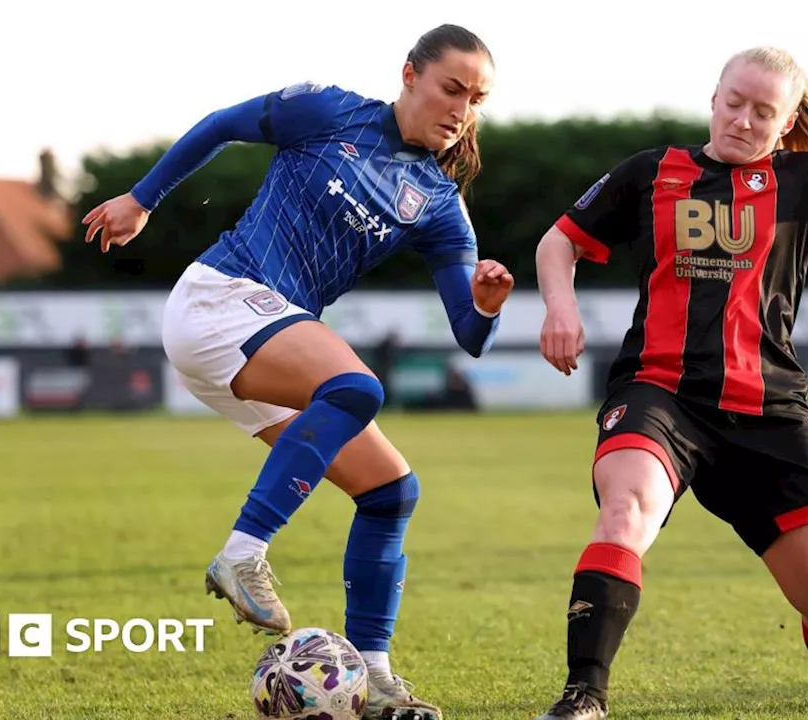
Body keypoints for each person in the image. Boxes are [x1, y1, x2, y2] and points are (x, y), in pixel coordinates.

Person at [532, 3, 808, 717]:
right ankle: (583, 695)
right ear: (713, 100)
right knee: (625, 511)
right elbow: (558, 241)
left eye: (762, 111)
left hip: (767, 412)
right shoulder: (650, 172)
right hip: (660, 396)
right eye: (734, 102)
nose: (743, 120)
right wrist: (560, 305)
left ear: (785, 124)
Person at [82, 24, 512, 720]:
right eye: (451, 88)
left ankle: (373, 680)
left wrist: (487, 303)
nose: (462, 108)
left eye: (477, 98)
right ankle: (243, 554)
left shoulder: (439, 204)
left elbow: (469, 333)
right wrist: (141, 199)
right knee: (355, 389)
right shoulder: (328, 110)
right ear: (409, 75)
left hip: (252, 346)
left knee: (391, 491)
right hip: (221, 297)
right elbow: (224, 125)